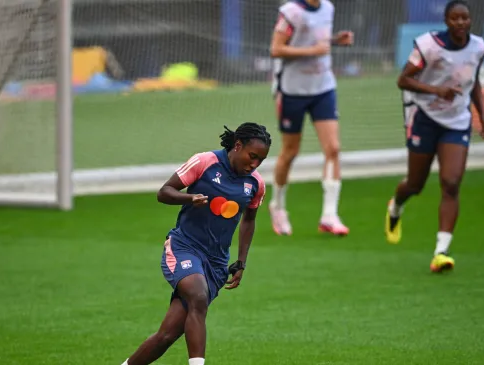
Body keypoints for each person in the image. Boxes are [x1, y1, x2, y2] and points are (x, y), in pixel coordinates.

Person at [119, 123, 271, 365]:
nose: (254, 164)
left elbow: (248, 221)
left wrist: (241, 261)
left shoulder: (255, 184)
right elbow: (164, 192)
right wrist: (189, 197)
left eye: (260, 160)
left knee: (166, 336)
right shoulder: (204, 162)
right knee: (198, 297)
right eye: (252, 156)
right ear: (238, 145)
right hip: (184, 247)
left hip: (216, 263)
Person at [384, 0, 484, 273]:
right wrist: (436, 91)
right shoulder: (428, 46)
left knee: (451, 182)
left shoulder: (478, 46)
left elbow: (474, 80)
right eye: (454, 18)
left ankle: (441, 251)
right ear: (446, 21)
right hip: (424, 117)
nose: (460, 23)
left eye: (464, 18)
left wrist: (483, 114)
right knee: (415, 184)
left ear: (470, 21)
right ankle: (396, 205)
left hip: (457, 121)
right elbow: (403, 79)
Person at [268, 0, 354, 236]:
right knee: (290, 152)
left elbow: (318, 41)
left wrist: (336, 41)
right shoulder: (291, 12)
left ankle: (329, 215)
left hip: (323, 88)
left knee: (333, 148)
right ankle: (278, 205)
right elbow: (276, 49)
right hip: (292, 91)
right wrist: (313, 51)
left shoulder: (328, 7)